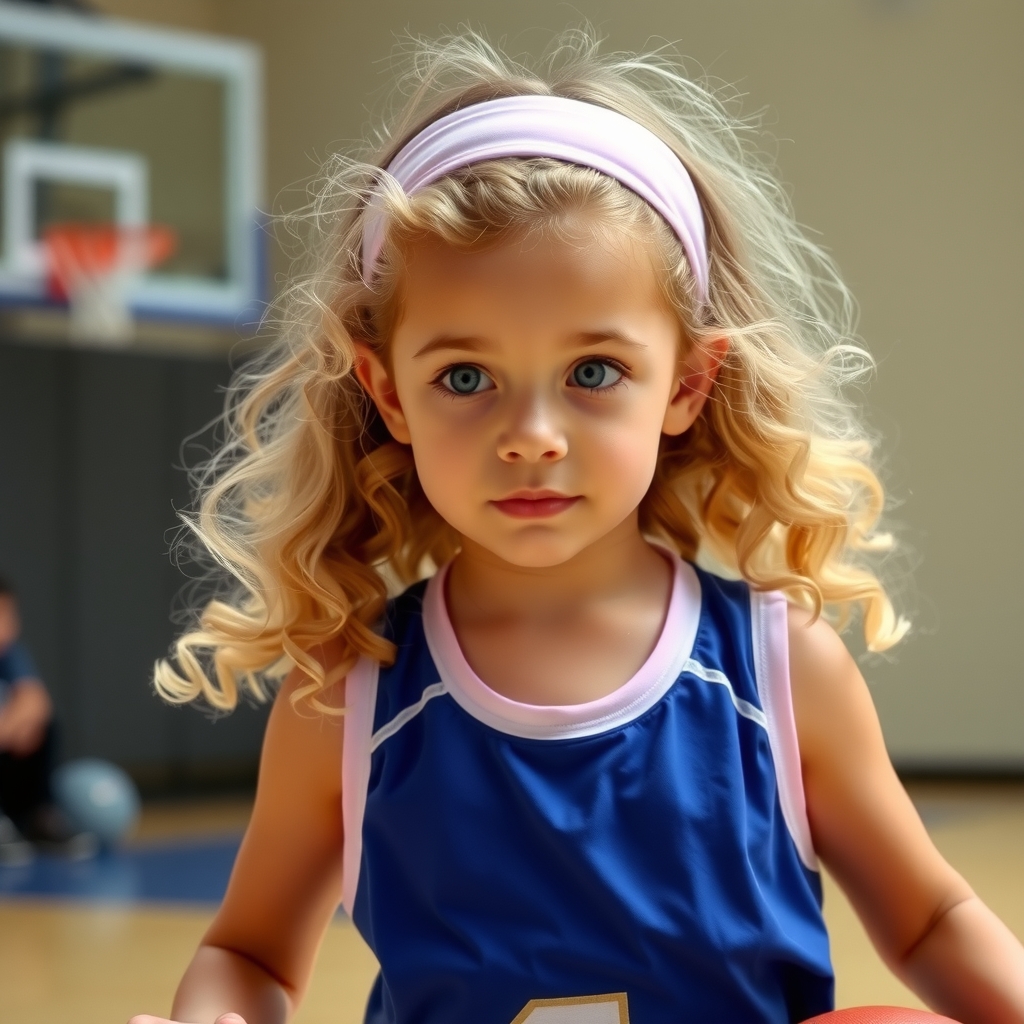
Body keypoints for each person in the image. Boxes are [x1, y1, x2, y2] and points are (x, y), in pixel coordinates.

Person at [130, 32, 1024, 1024]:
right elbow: (248, 952)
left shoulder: (780, 667)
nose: (532, 437)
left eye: (593, 371)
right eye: (464, 378)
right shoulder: (348, 692)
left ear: (686, 382)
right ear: (387, 392)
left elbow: (929, 918)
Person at [0, 576, 97, 863]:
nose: (4, 627)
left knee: (42, 723)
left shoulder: (11, 654)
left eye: (9, 615)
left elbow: (35, 702)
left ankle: (37, 817)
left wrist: (13, 727)